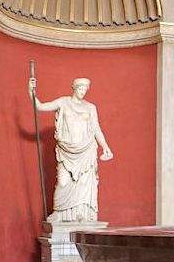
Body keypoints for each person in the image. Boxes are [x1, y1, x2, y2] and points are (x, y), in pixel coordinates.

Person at [29, 77, 113, 222]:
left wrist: (105, 147)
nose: (82, 92)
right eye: (80, 88)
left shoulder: (90, 107)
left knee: (83, 184)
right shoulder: (63, 102)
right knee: (63, 181)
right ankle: (58, 211)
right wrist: (31, 91)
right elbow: (40, 107)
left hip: (86, 150)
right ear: (74, 88)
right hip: (67, 150)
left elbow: (96, 129)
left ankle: (83, 214)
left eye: (85, 89)